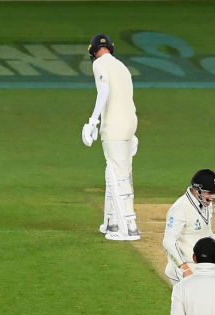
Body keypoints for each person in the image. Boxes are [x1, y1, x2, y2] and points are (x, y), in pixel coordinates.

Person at [81, 34, 140, 241]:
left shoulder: (99, 64)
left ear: (93, 50)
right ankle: (111, 222)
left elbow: (104, 90)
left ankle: (128, 228)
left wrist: (93, 120)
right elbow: (127, 97)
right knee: (119, 172)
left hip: (114, 126)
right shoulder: (122, 67)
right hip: (129, 124)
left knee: (117, 176)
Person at [162, 169, 215, 284]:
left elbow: (207, 233)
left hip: (201, 267)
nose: (213, 196)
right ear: (197, 190)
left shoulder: (205, 204)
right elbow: (168, 242)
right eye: (210, 192)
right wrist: (185, 269)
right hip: (183, 267)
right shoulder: (180, 209)